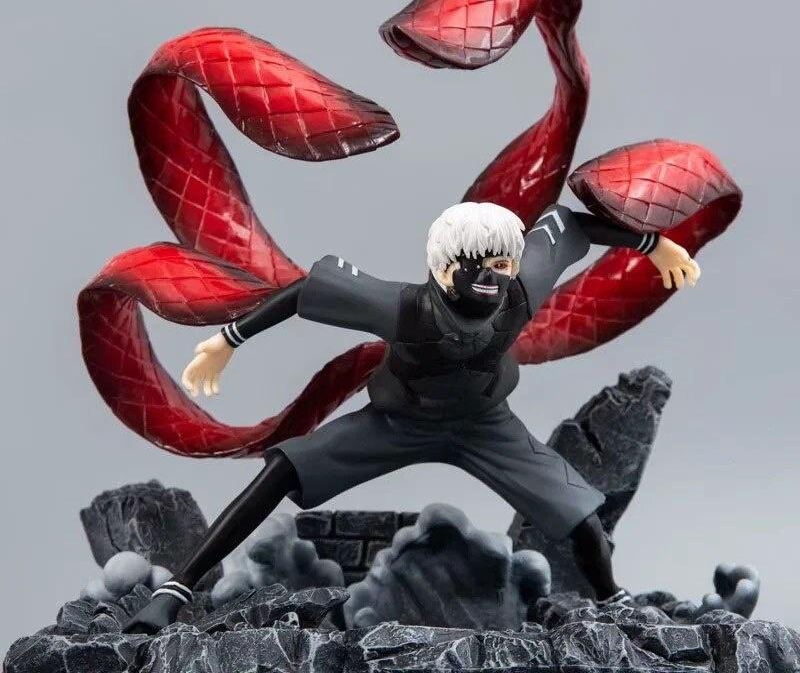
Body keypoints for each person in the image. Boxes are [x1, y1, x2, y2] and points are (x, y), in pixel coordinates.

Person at [124, 201, 699, 633]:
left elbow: (570, 224)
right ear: (445, 270)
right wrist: (227, 340)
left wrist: (653, 244)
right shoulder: (400, 307)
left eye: (503, 264)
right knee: (282, 470)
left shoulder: (521, 290)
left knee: (583, 519)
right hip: (397, 423)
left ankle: (613, 599)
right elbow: (305, 292)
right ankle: (176, 589)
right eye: (478, 267)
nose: (494, 278)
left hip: (485, 426)